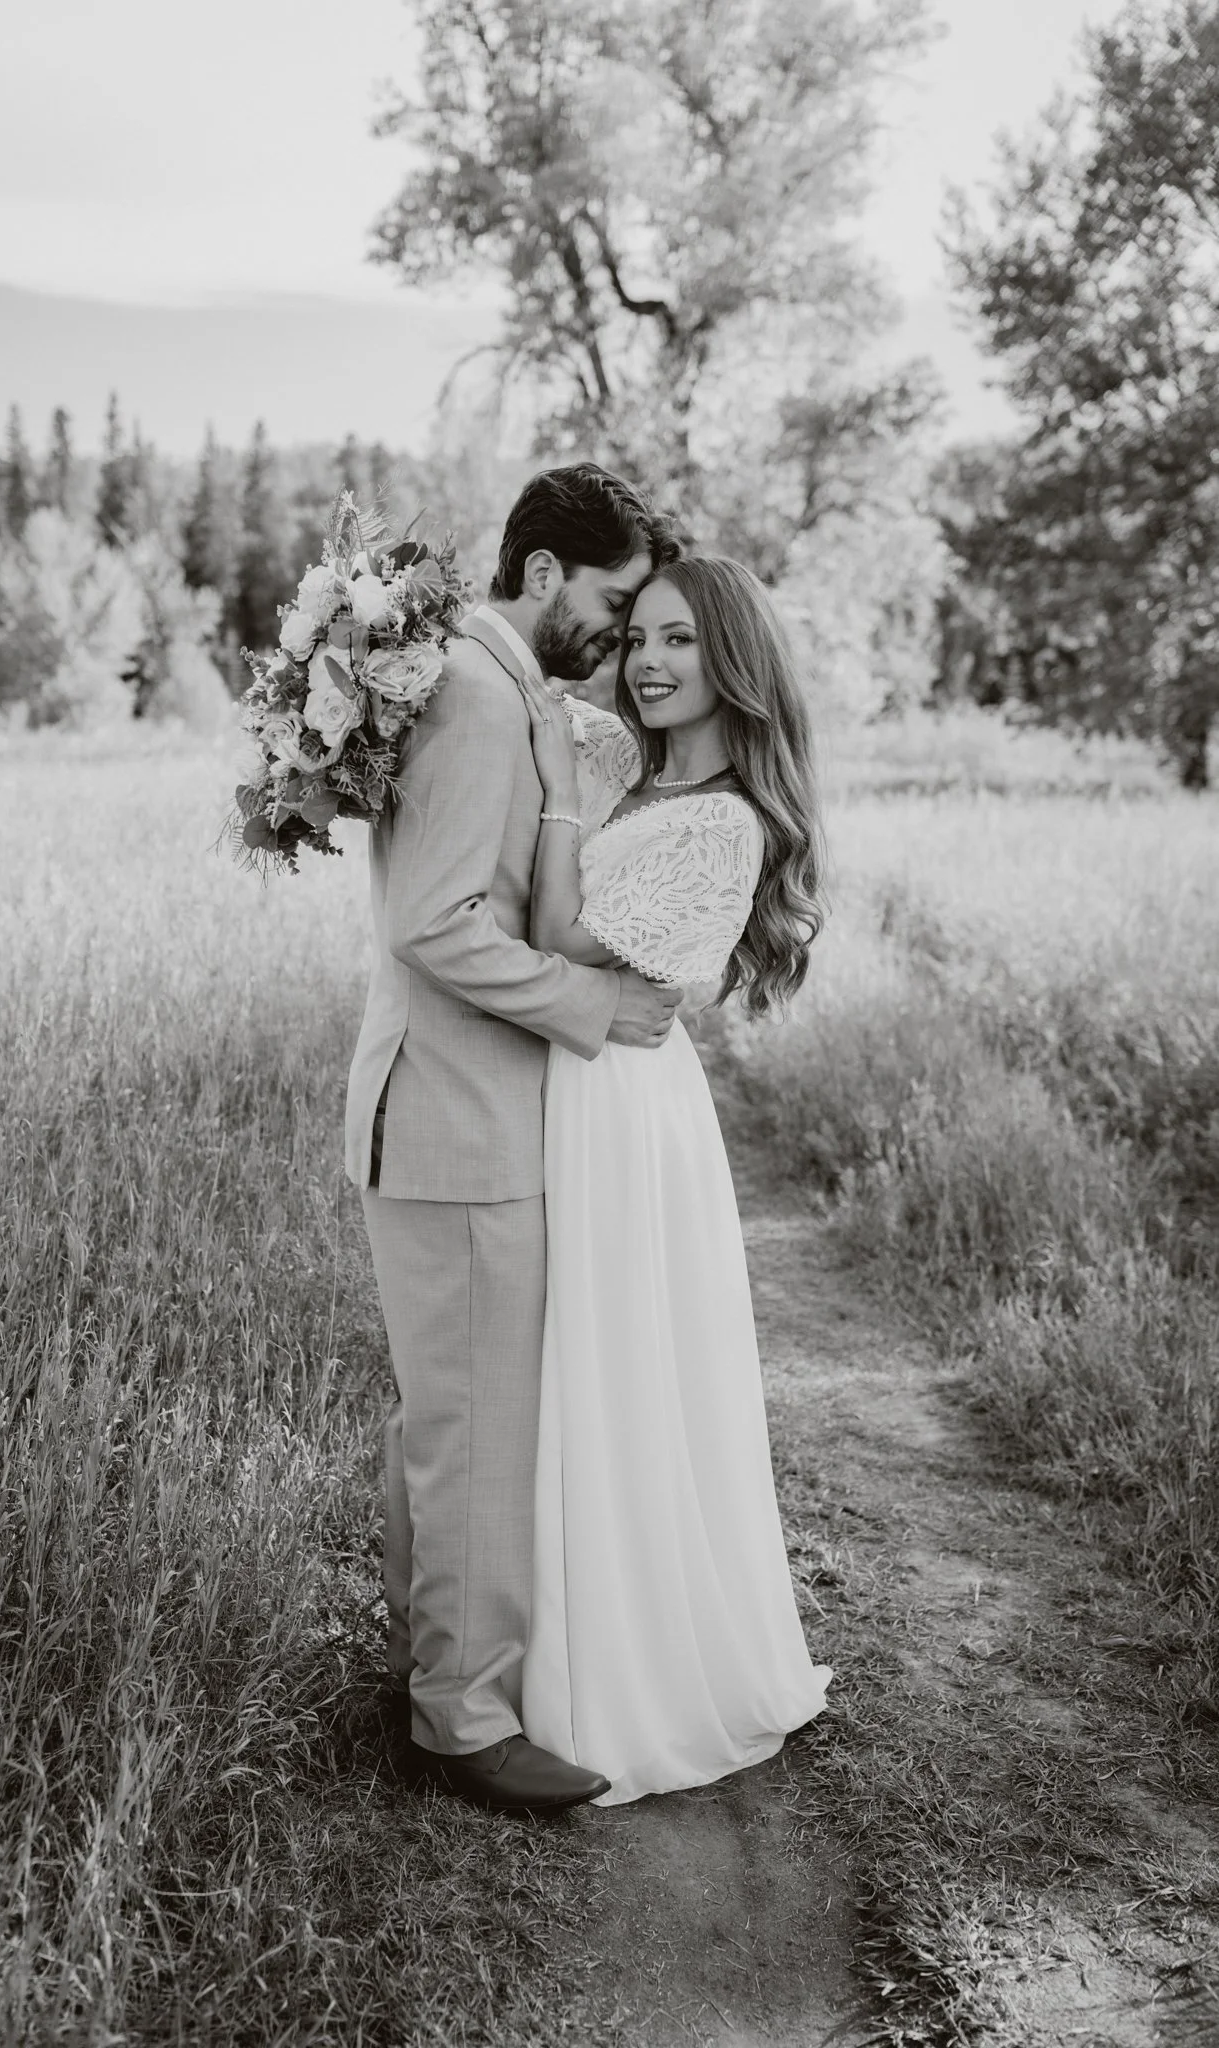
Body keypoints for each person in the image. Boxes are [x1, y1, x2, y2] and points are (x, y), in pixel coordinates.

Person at [343, 464, 682, 1813]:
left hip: (449, 1116)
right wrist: (595, 1008)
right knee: (476, 1432)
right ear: (543, 573)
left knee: (447, 1423)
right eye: (613, 598)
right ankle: (466, 1721)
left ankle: (428, 1678)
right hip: (457, 1119)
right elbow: (431, 925)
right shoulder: (481, 697)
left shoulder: (497, 682)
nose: (621, 628)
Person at [515, 555, 832, 1804]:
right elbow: (526, 698)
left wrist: (556, 802)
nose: (647, 662)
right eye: (638, 637)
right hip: (570, 1077)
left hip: (623, 1106)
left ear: (734, 661)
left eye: (681, 642)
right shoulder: (629, 765)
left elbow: (557, 935)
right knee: (560, 1361)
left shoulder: (721, 822)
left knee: (617, 1362)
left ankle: (627, 1672)